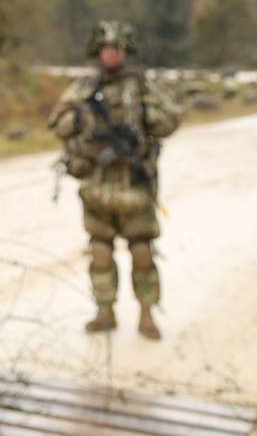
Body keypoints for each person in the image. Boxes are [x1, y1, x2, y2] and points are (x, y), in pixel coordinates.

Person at [49, 21, 181, 340]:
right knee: (100, 252)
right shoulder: (84, 88)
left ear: (126, 51)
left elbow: (170, 119)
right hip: (96, 183)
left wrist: (146, 119)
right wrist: (81, 119)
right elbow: (57, 122)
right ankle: (104, 311)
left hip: (133, 183)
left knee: (142, 252)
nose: (111, 54)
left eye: (117, 49)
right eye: (107, 49)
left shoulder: (141, 86)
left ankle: (147, 314)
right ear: (98, 51)